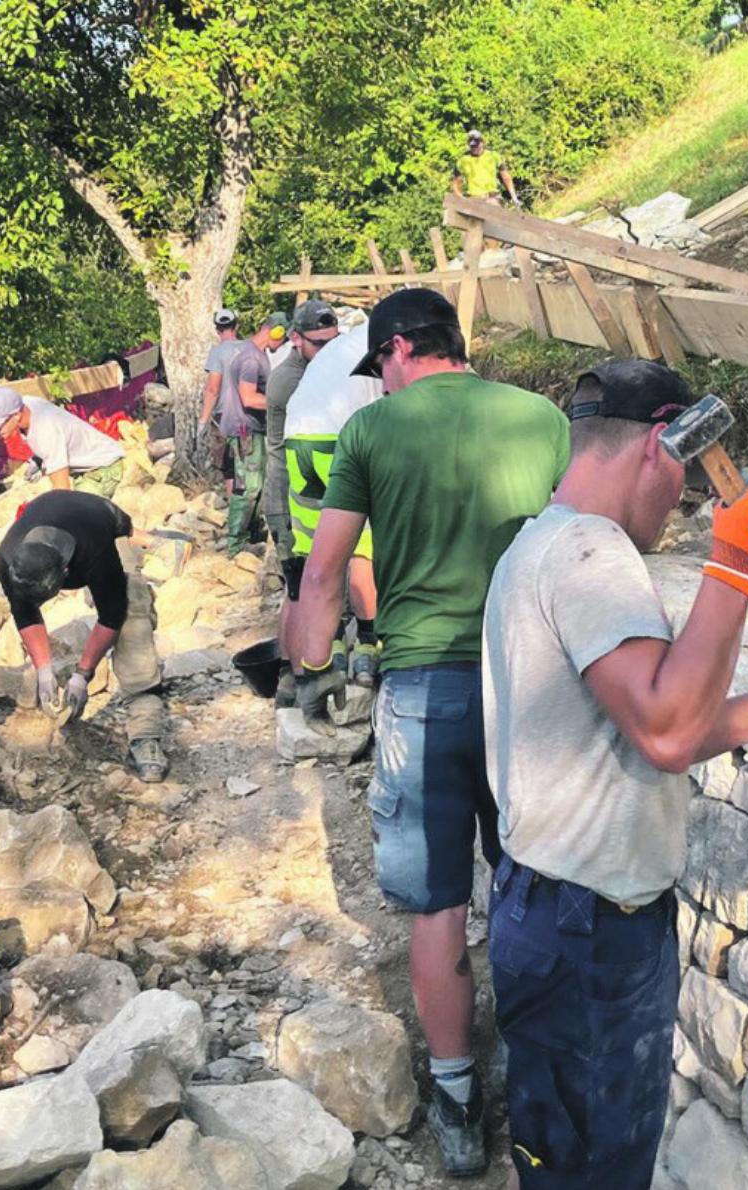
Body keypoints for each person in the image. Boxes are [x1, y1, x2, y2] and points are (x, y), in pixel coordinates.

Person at [480, 360, 748, 1190]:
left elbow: (657, 722)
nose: (682, 503)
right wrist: (733, 572)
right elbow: (664, 730)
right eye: (685, 480)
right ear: (661, 444)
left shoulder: (537, 543)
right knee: (596, 1167)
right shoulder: (592, 552)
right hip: (588, 929)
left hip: (551, 909)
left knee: (565, 1153)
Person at [290, 287, 568, 1178]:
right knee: (529, 883)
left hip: (425, 691)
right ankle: (545, 1075)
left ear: (405, 348)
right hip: (533, 686)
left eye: (380, 367)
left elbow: (326, 573)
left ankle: (454, 1096)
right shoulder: (542, 417)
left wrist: (309, 669)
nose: (379, 383)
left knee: (438, 903)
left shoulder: (373, 435)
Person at [0, 489, 171, 781]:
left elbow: (110, 617)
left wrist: (82, 676)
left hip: (103, 521)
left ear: (66, 572)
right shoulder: (10, 558)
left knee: (133, 611)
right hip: (44, 521)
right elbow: (25, 612)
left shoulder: (97, 551)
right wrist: (44, 670)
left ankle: (146, 735)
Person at [278, 314, 383, 703]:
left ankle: (306, 671)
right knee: (361, 543)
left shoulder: (344, 348)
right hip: (337, 437)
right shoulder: (392, 343)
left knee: (311, 554)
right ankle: (368, 647)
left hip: (299, 439)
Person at [206, 314, 289, 555]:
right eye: (282, 338)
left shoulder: (253, 353)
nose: (282, 345)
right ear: (276, 332)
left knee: (255, 484)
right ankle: (236, 544)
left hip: (248, 427)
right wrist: (282, 403)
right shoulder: (252, 359)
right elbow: (248, 397)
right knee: (248, 486)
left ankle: (250, 534)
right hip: (245, 429)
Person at [262, 302, 330, 563]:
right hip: (288, 504)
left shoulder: (319, 369)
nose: (327, 351)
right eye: (319, 344)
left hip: (311, 499)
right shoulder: (290, 380)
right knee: (301, 589)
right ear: (296, 339)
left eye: (332, 342)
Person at [0, 386, 126, 495]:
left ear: (16, 415)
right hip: (87, 464)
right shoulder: (26, 404)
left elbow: (62, 489)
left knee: (78, 517)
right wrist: (39, 459)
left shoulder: (45, 431)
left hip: (104, 468)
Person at [451, 129, 519, 206]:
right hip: (474, 199)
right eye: (472, 146)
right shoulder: (463, 161)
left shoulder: (493, 156)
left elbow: (506, 177)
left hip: (492, 197)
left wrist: (514, 196)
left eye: (476, 145)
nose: (475, 148)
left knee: (494, 207)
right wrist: (461, 198)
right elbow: (456, 183)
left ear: (482, 143)